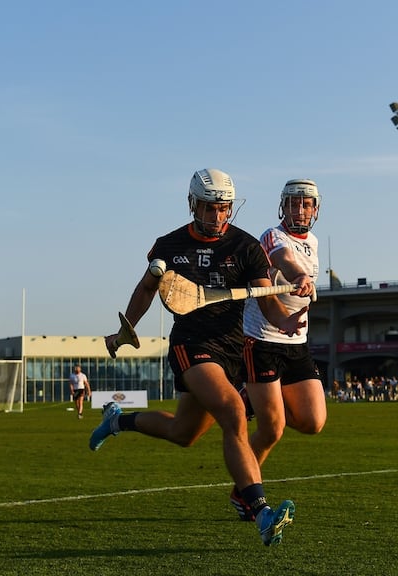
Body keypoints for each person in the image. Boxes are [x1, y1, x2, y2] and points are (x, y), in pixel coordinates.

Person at [90, 168, 307, 546]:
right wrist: (127, 330)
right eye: (208, 208)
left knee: (184, 433)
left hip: (232, 347)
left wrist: (286, 319)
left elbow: (265, 299)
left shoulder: (246, 247)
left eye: (222, 209)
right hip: (191, 343)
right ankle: (259, 511)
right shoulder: (170, 246)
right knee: (233, 412)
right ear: (193, 204)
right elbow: (146, 288)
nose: (215, 216)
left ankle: (118, 421)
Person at [235, 178, 326, 522]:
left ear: (315, 209)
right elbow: (282, 259)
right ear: (282, 206)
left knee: (313, 421)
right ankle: (244, 492)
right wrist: (298, 274)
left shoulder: (314, 241)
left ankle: (251, 398)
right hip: (262, 340)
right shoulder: (272, 236)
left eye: (306, 204)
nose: (299, 209)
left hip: (296, 344)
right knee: (273, 428)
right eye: (292, 203)